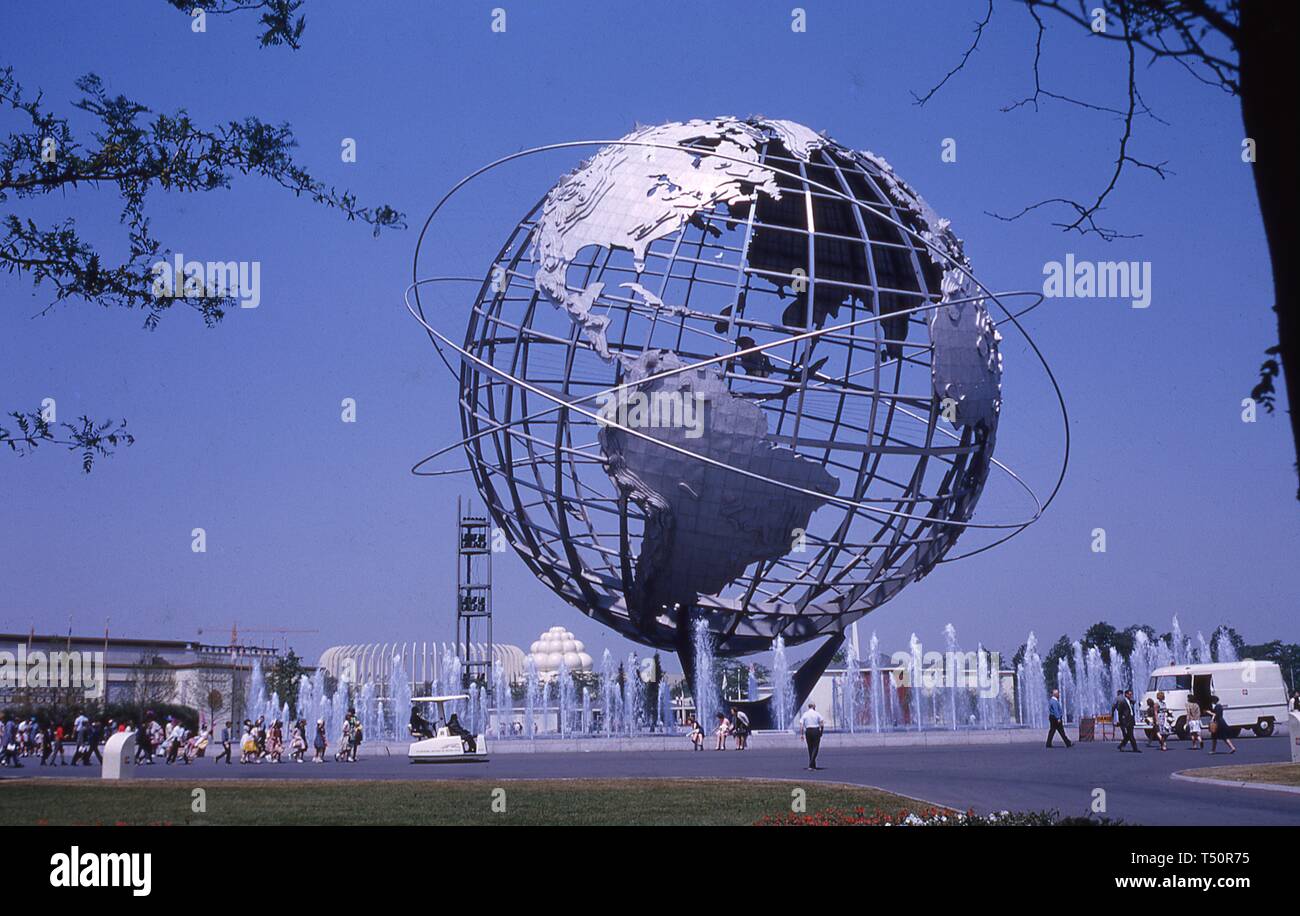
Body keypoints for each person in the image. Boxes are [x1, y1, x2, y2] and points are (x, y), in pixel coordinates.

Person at [799, 702, 825, 770]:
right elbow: (822, 724)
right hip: (815, 730)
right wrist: (821, 731)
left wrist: (801, 734)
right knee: (815, 747)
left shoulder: (805, 714)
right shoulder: (817, 713)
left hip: (808, 731)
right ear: (814, 707)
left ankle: (813, 765)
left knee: (810, 747)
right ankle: (811, 764)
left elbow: (801, 725)